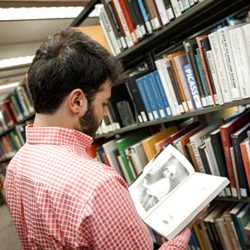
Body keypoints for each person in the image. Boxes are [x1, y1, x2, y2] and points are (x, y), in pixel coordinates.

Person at [4, 28, 193, 249]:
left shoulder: (15, 167)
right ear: (77, 102)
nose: (105, 113)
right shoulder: (98, 186)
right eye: (104, 103)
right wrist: (181, 235)